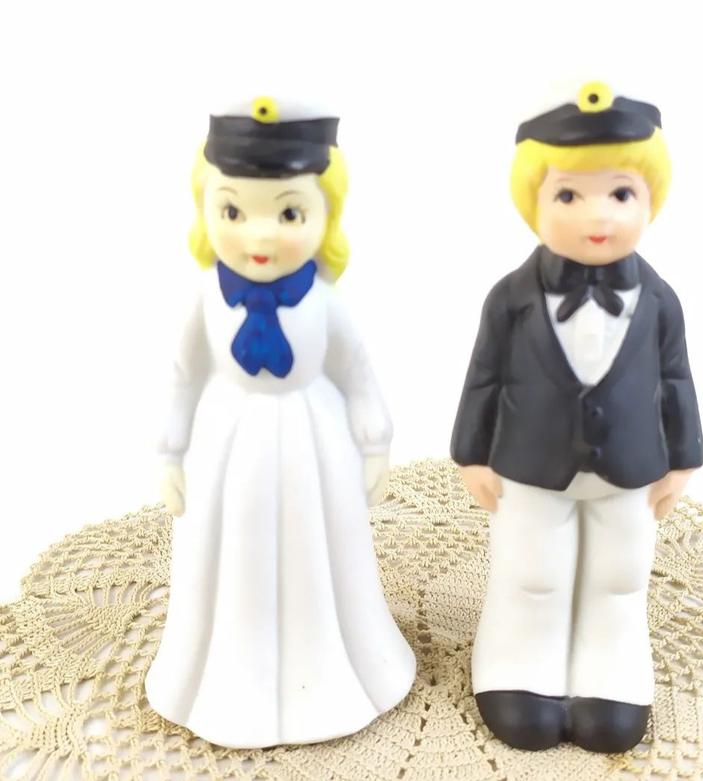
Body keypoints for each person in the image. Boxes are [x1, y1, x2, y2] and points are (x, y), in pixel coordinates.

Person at [145, 95, 416, 749]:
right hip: (225, 447)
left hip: (313, 448)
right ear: (206, 209)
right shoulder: (206, 298)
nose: (260, 236)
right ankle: (224, 675)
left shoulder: (324, 302)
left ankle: (329, 670)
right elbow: (182, 375)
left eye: (288, 212)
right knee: (231, 557)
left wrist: (374, 442)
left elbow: (356, 372)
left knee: (318, 555)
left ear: (325, 215)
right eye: (233, 211)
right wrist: (171, 452)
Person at [451, 80, 703, 753]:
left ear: (650, 200)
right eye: (569, 195)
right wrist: (471, 454)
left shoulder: (661, 301)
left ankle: (610, 679)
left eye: (620, 194)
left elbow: (676, 378)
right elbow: (484, 377)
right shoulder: (509, 299)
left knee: (619, 577)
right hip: (530, 467)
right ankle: (517, 672)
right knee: (531, 572)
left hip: (630, 472)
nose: (599, 215)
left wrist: (684, 459)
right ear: (532, 202)